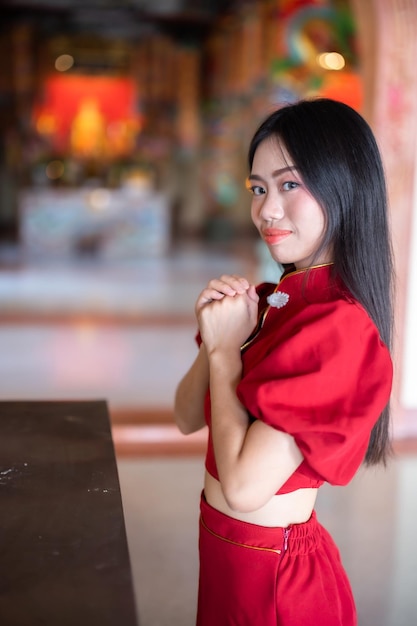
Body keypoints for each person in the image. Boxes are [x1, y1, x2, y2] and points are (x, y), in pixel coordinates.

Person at [173, 98, 394, 626]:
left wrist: (227, 350)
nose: (267, 209)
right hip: (228, 556)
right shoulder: (276, 301)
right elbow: (186, 416)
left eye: (290, 184)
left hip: (275, 583)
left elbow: (246, 489)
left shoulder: (337, 326)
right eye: (259, 188)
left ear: (345, 185)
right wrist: (214, 335)